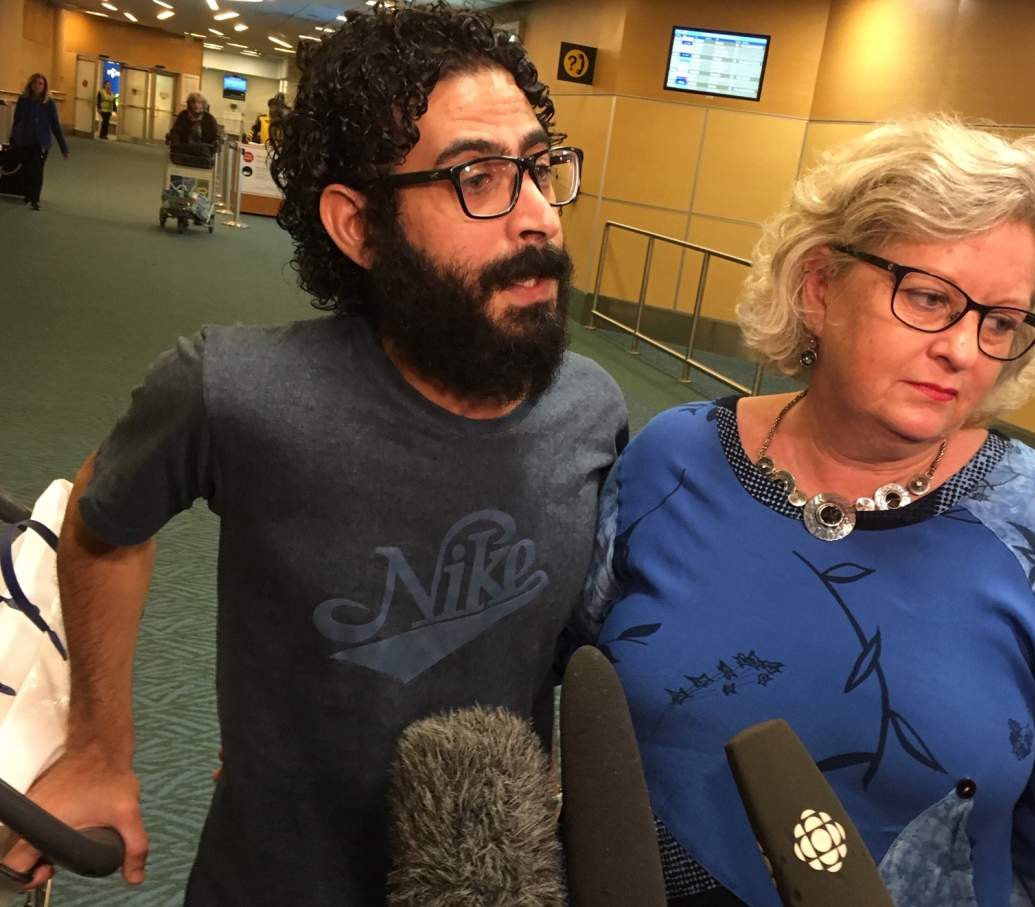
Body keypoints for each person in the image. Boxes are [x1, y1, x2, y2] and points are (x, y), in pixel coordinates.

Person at [2, 4, 625, 905]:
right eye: (477, 179)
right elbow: (101, 523)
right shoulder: (233, 389)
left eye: (538, 168)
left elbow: (581, 645)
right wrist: (102, 742)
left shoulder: (594, 410)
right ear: (357, 226)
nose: (537, 217)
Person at [571, 118, 1035, 906]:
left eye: (1000, 321)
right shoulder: (672, 459)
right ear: (820, 286)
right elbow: (579, 692)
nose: (965, 350)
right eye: (932, 297)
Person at [8, 73, 68, 211]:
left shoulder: (49, 104)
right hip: (24, 140)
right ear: (31, 85)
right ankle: (27, 194)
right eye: (35, 83)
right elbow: (17, 121)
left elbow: (55, 126)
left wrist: (63, 147)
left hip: (41, 143)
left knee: (37, 171)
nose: (38, 86)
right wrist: (12, 137)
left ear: (45, 86)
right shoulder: (23, 100)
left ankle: (35, 199)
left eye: (41, 84)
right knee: (27, 169)